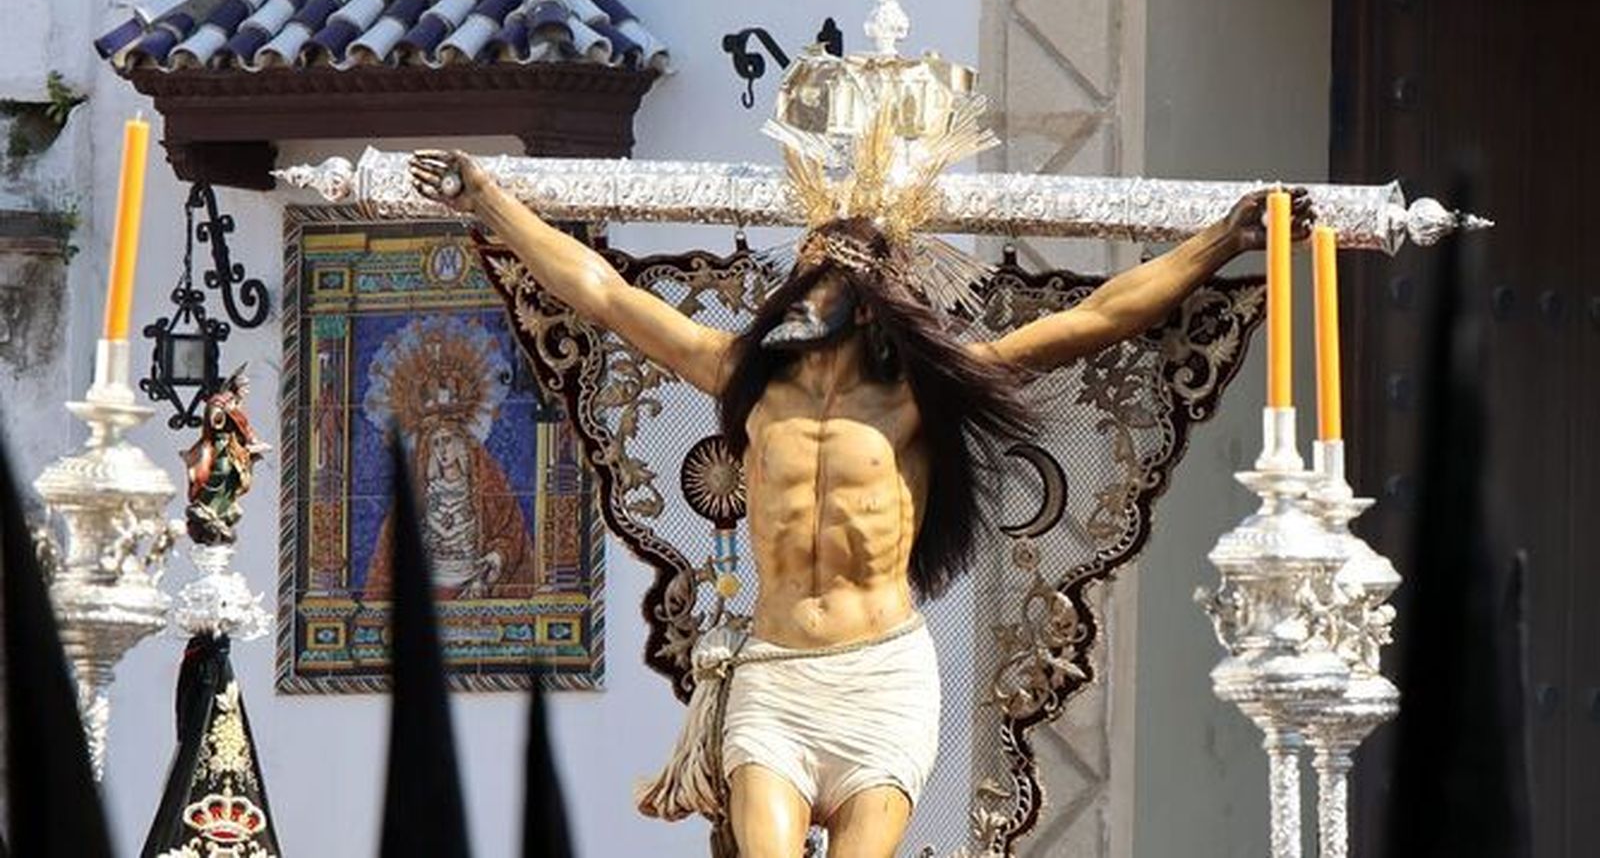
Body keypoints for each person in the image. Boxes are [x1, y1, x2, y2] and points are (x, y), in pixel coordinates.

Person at [410, 148, 1312, 858]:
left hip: (880, 680)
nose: (799, 296)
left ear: (871, 304)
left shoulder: (919, 394)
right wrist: (487, 199)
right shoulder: (742, 378)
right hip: (772, 675)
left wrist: (1221, 241)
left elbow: (1095, 319)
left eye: (823, 283)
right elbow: (603, 293)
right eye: (799, 279)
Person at [183, 365, 272, 546]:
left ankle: (223, 506)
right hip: (220, 443)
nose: (246, 391)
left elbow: (245, 428)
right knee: (221, 470)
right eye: (244, 387)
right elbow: (215, 419)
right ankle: (203, 503)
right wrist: (223, 411)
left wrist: (254, 444)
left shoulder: (237, 404)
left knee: (235, 475)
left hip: (234, 445)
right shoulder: (221, 400)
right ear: (235, 387)